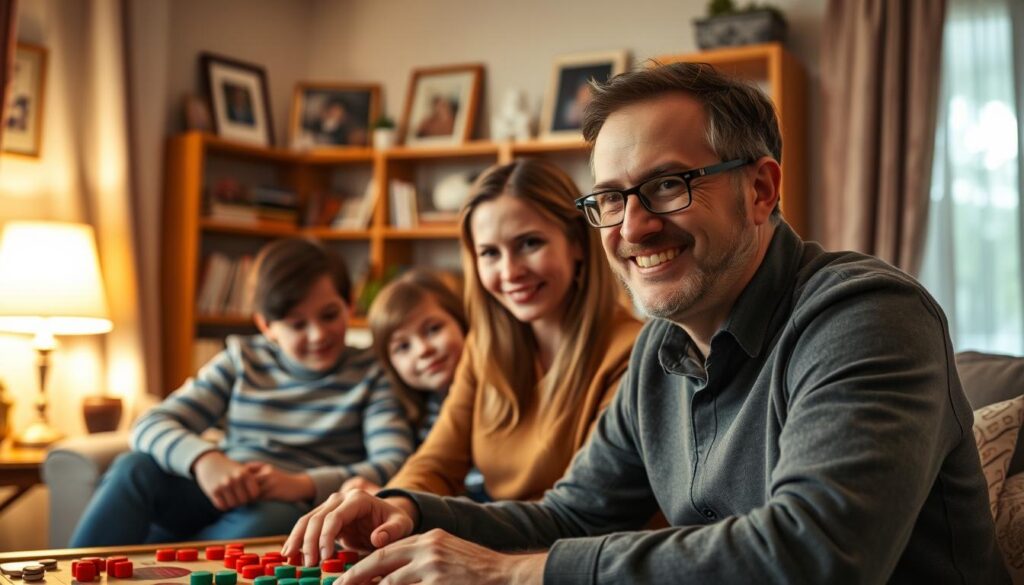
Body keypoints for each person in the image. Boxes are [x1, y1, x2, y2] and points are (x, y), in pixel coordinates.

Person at [281, 62, 1008, 584]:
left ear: (760, 189)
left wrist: (512, 575)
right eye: (610, 198)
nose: (633, 226)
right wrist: (406, 507)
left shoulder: (867, 315)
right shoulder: (662, 348)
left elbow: (818, 554)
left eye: (667, 185)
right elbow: (572, 515)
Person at [69, 237, 414, 546]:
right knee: (135, 467)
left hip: (288, 507)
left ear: (349, 305)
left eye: (329, 315)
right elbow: (150, 423)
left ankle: (163, 563)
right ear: (266, 326)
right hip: (216, 487)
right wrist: (205, 460)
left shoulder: (372, 372)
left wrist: (302, 484)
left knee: (275, 520)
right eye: (297, 324)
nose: (317, 334)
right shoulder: (242, 359)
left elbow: (393, 461)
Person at [338, 269, 481, 496]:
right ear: (390, 364)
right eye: (403, 347)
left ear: (462, 323)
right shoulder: (412, 415)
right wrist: (383, 494)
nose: (424, 350)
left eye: (434, 329)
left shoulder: (487, 397)